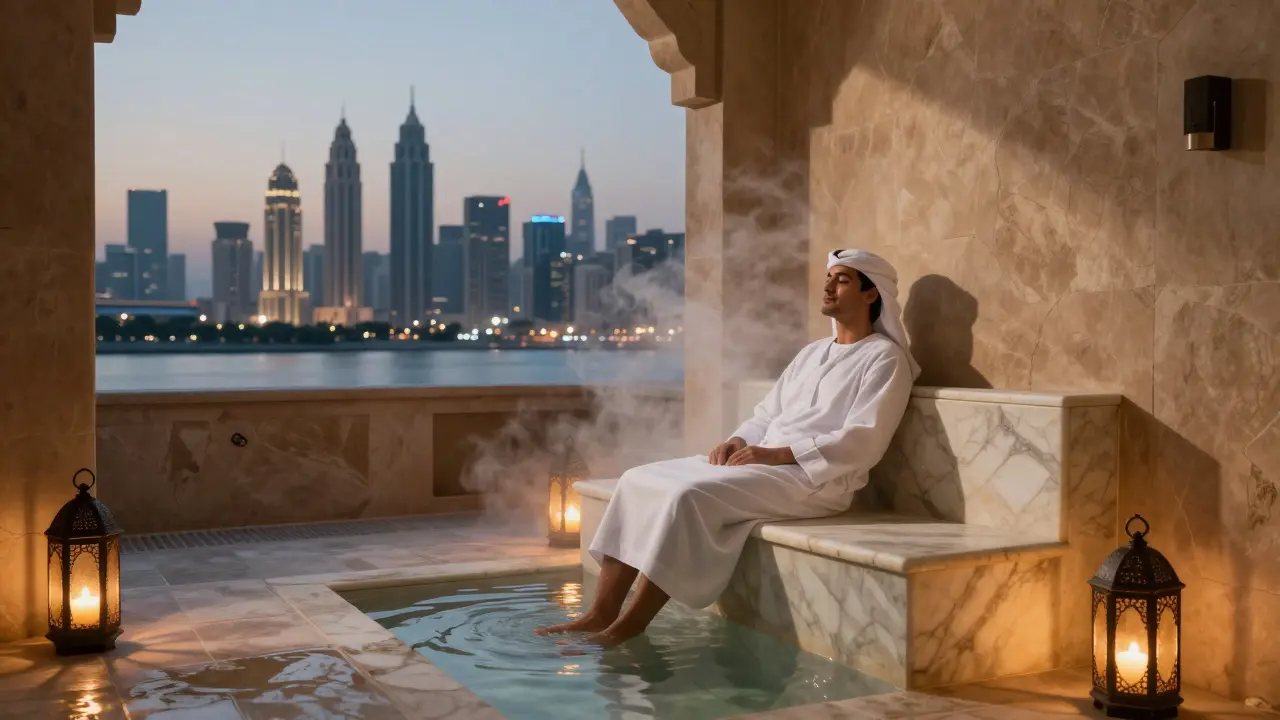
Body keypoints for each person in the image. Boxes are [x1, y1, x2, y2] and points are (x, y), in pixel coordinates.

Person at [535, 249, 921, 647]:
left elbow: (865, 439)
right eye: (829, 278)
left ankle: (628, 626)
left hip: (814, 479)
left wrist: (779, 454)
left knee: (688, 496)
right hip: (763, 463)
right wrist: (740, 440)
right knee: (636, 480)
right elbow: (766, 414)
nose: (828, 286)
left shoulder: (885, 359)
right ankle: (600, 613)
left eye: (842, 280)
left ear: (871, 294)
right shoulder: (812, 353)